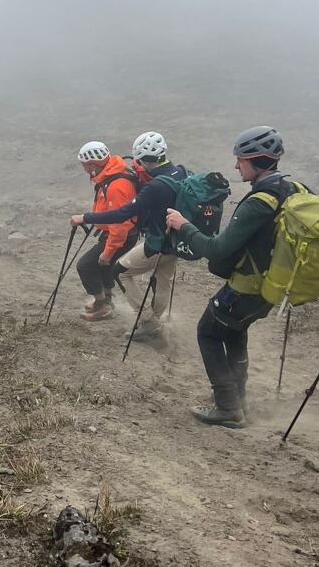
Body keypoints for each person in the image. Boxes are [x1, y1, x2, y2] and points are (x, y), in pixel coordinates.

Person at [164, 125, 290, 427]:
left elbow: (217, 249)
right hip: (273, 287)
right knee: (234, 331)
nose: (236, 166)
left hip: (248, 287)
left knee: (208, 331)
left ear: (256, 160)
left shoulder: (259, 202)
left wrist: (183, 225)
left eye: (240, 160)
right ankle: (238, 399)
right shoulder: (291, 190)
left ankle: (228, 407)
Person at [85, 131, 186, 341]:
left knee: (120, 271)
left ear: (143, 160)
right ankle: (153, 325)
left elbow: (123, 213)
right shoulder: (181, 173)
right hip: (178, 241)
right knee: (162, 281)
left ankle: (149, 321)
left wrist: (86, 217)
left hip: (158, 242)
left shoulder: (154, 187)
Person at [68, 141, 139, 322]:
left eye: (84, 165)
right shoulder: (111, 175)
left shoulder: (116, 185)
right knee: (103, 266)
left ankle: (104, 306)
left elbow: (119, 225)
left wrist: (108, 253)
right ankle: (106, 299)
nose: (84, 169)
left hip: (120, 237)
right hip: (123, 235)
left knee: (85, 266)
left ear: (92, 164)